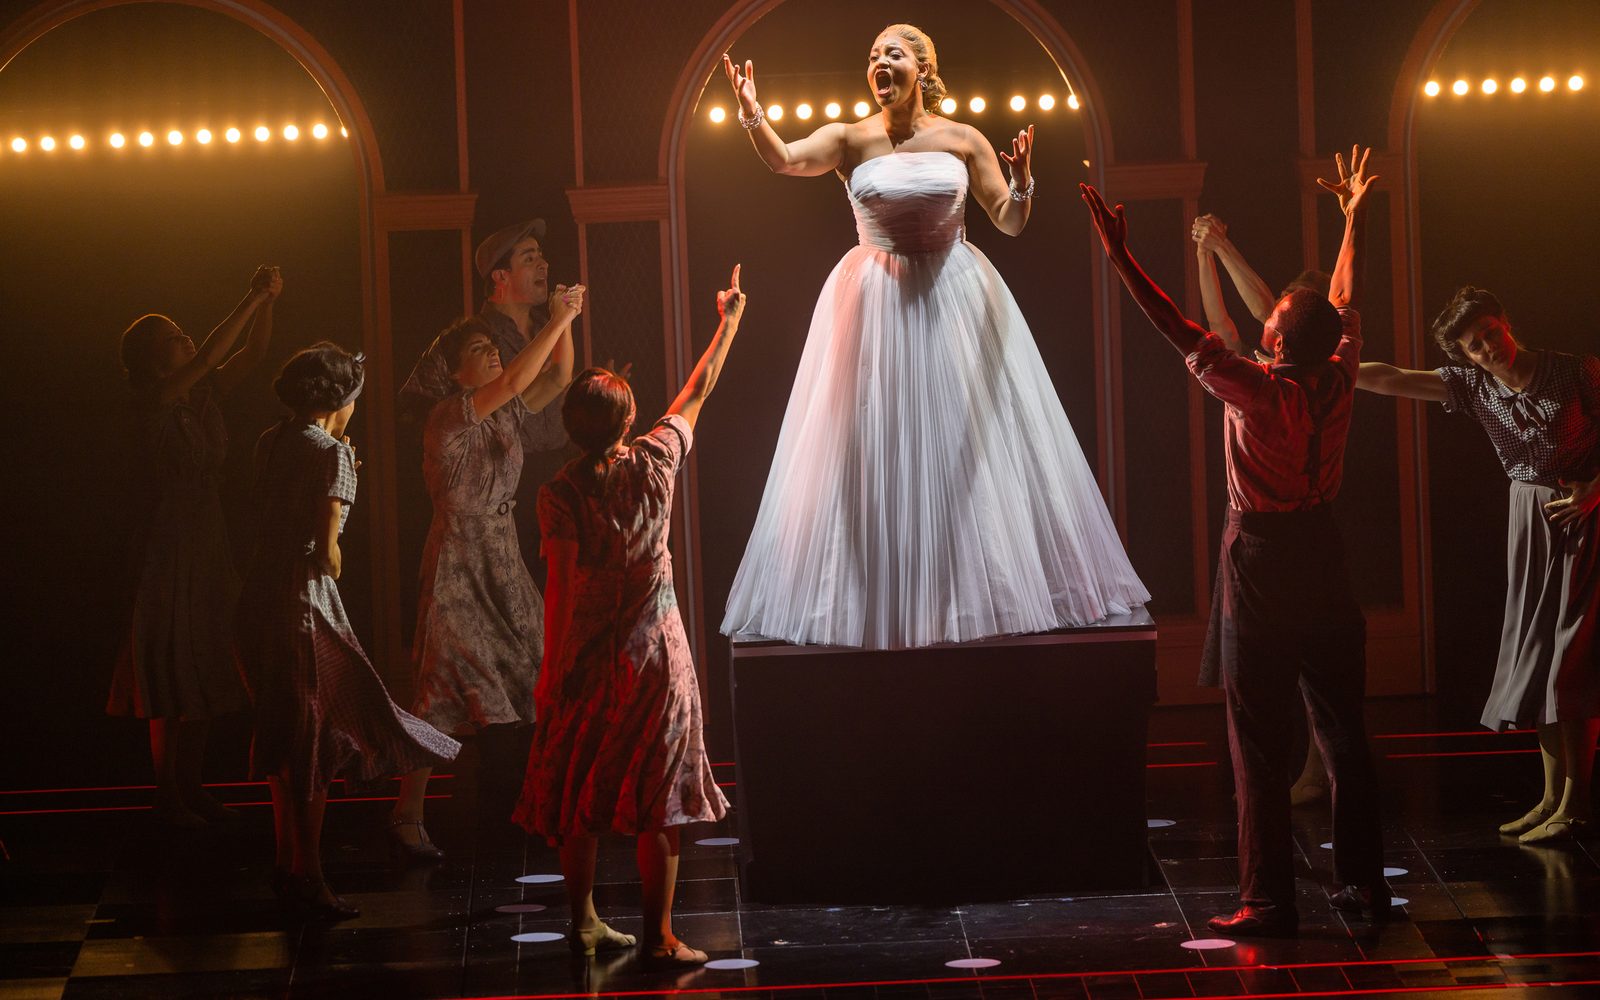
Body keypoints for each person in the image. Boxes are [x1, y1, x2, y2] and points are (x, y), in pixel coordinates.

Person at [718, 24, 1148, 650]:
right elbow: (785, 158)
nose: (880, 63)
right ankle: (882, 602)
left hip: (955, 294)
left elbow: (1009, 219)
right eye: (871, 56)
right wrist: (753, 114)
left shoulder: (962, 138)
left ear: (922, 66)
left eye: (892, 53)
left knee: (962, 450)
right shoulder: (850, 137)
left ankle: (962, 601)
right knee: (873, 449)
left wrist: (1023, 180)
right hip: (875, 301)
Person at [1080, 144, 1386, 936]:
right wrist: (1352, 219)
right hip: (1326, 552)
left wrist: (1120, 254)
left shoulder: (1255, 389)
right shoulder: (1342, 368)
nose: (1266, 329)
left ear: (1279, 346)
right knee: (1344, 731)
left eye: (1273, 326)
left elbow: (1174, 325)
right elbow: (1345, 297)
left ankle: (1268, 900)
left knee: (1257, 740)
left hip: (1264, 560)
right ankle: (1362, 885)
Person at [513, 267, 744, 966]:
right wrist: (729, 320)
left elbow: (559, 587)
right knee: (658, 798)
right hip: (654, 661)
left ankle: (584, 919)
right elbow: (697, 390)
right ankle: (659, 936)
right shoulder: (657, 461)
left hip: (586, 656)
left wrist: (551, 672)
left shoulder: (558, 495)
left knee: (578, 789)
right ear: (625, 419)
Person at [1358, 288, 1599, 843]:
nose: (1487, 347)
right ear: (1464, 355)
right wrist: (1320, 366)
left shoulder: (1575, 371)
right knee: (1537, 660)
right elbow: (1392, 377)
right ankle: (1550, 801)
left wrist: (1594, 493)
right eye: (1473, 345)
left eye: (1490, 332)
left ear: (1506, 323)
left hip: (1584, 518)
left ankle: (1578, 804)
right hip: (1528, 519)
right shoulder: (1473, 386)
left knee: (1572, 661)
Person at [237, 344, 460, 918]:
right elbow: (329, 555)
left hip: (257, 596)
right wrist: (340, 498)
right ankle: (307, 874)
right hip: (302, 601)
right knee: (312, 738)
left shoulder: (271, 440)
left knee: (286, 735)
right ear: (342, 399)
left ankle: (290, 866)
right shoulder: (332, 452)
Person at [387, 282, 586, 861]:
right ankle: (408, 812)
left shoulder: (503, 412)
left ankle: (539, 798)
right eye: (478, 348)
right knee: (439, 688)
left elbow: (553, 379)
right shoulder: (449, 415)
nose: (492, 351)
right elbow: (520, 379)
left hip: (502, 555)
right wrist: (555, 317)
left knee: (535, 666)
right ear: (455, 372)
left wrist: (566, 323)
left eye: (489, 345)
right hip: (459, 558)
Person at [108, 266, 281, 828]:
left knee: (206, 654)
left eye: (184, 332)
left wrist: (269, 302)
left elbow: (252, 355)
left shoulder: (201, 396)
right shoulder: (156, 399)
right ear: (155, 358)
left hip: (206, 534)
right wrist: (249, 295)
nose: (187, 340)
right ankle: (168, 792)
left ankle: (190, 784)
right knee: (169, 661)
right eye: (174, 337)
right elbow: (209, 356)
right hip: (169, 539)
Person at [1192, 215, 1334, 808]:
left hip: (1279, 530)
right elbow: (1233, 319)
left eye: (1284, 308)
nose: (1272, 309)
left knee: (1297, 662)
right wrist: (1208, 254)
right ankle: (1289, 773)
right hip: (1262, 528)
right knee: (1273, 663)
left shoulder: (1299, 375)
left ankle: (1302, 774)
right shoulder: (1284, 366)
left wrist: (1220, 245)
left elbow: (1245, 315)